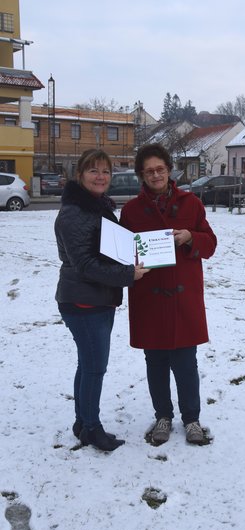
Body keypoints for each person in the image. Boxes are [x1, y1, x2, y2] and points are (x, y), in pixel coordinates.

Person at [120, 143, 217, 445]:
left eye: (160, 169)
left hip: (182, 299)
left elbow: (211, 244)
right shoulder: (132, 210)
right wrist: (128, 260)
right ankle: (163, 415)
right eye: (149, 171)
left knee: (186, 363)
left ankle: (192, 419)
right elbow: (122, 252)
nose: (156, 174)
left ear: (169, 170)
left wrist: (191, 237)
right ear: (141, 175)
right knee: (156, 362)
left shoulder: (191, 204)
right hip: (149, 299)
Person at [55, 149, 147, 452]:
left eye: (105, 171)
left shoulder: (94, 207)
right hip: (84, 302)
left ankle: (82, 422)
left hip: (95, 299)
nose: (100, 176)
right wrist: (127, 274)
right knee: (94, 368)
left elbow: (105, 248)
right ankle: (92, 429)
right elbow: (86, 265)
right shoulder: (75, 213)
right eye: (93, 171)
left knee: (87, 364)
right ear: (80, 175)